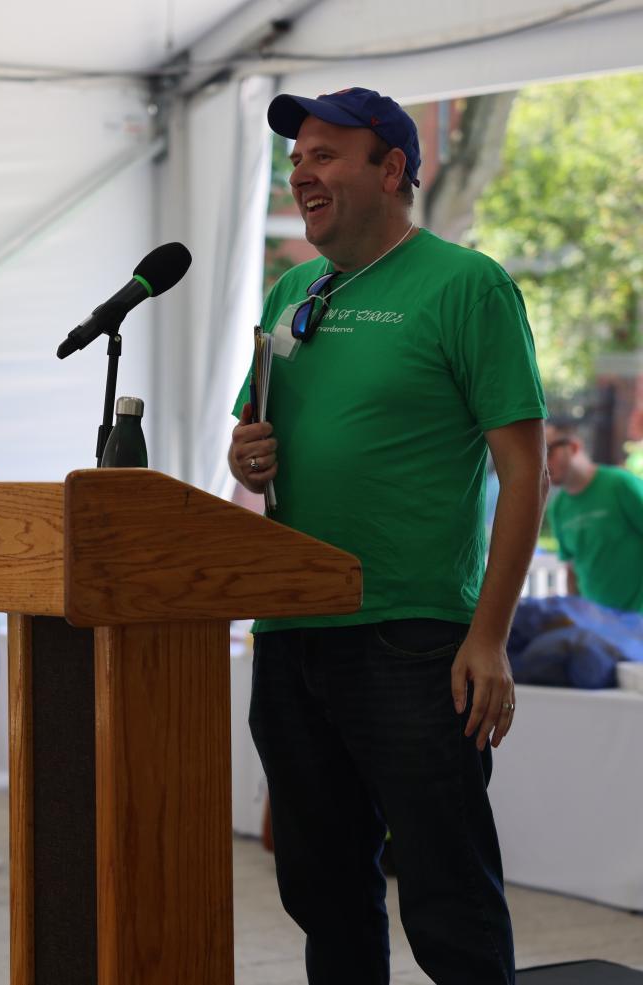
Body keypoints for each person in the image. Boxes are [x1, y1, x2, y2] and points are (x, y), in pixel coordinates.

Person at [228, 87, 549, 985]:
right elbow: (255, 452)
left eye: (326, 154)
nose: (302, 171)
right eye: (297, 159)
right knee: (323, 896)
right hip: (292, 637)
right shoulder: (292, 290)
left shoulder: (466, 284)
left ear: (394, 169)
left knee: (448, 896)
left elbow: (526, 473)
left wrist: (489, 637)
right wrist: (246, 455)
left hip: (411, 636)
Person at [546, 418, 643, 611]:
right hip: (599, 628)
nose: (542, 461)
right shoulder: (557, 508)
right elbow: (571, 569)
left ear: (573, 447)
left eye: (547, 451)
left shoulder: (619, 484)